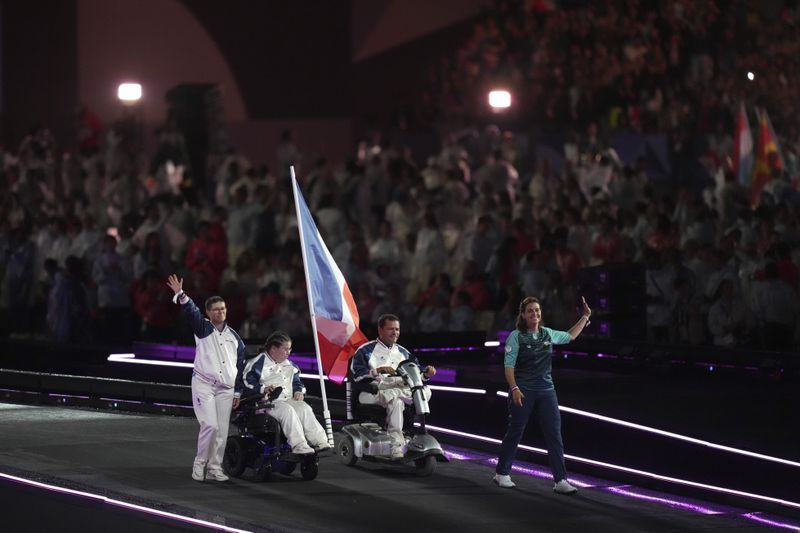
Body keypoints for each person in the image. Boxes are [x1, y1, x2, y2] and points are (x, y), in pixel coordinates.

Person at [493, 296, 592, 495]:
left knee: (554, 434)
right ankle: (501, 473)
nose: (535, 314)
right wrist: (514, 388)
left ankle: (560, 480)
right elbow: (508, 367)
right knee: (516, 430)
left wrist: (585, 317)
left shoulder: (547, 333)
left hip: (547, 391)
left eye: (537, 310)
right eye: (530, 311)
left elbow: (570, 336)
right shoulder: (516, 336)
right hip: (523, 390)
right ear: (523, 315)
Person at [166, 274, 246, 482]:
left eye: (223, 308)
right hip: (204, 384)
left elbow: (240, 365)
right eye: (217, 309)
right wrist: (181, 295)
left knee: (222, 429)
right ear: (209, 313)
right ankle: (199, 463)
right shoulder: (203, 329)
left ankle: (215, 467)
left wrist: (237, 390)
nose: (221, 311)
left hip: (226, 389)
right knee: (209, 425)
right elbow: (191, 311)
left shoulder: (234, 337)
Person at [350, 314, 436, 458]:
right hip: (373, 390)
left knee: (424, 391)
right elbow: (356, 374)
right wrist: (377, 371)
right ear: (380, 330)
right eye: (391, 329)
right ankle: (396, 444)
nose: (395, 332)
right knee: (397, 400)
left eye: (397, 329)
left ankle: (409, 435)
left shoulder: (403, 352)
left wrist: (426, 375)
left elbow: (415, 376)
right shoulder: (365, 350)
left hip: (398, 388)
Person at [240, 331, 330, 454]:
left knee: (304, 408)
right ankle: (299, 445)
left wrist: (299, 391)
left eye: (290, 349)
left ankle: (320, 441)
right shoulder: (257, 363)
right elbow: (246, 382)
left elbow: (298, 383)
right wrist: (263, 388)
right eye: (285, 349)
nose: (288, 352)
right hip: (266, 403)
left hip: (288, 400)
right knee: (288, 411)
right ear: (273, 349)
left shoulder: (290, 365)